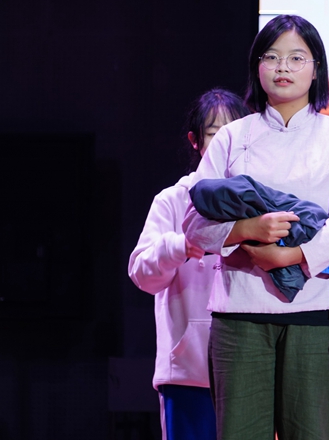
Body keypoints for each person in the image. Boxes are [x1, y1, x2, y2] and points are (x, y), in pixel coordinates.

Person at [182, 15, 329, 439]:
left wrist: (291, 256)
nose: (283, 67)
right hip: (239, 315)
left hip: (316, 311)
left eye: (296, 58)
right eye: (271, 57)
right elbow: (193, 224)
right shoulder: (232, 137)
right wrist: (249, 229)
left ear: (316, 69)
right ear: (257, 67)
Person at [128, 88, 249, 440]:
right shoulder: (172, 201)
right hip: (187, 376)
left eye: (234, 133)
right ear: (195, 141)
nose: (226, 143)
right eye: (214, 133)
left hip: (248, 372)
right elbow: (142, 274)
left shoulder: (259, 201)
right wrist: (181, 245)